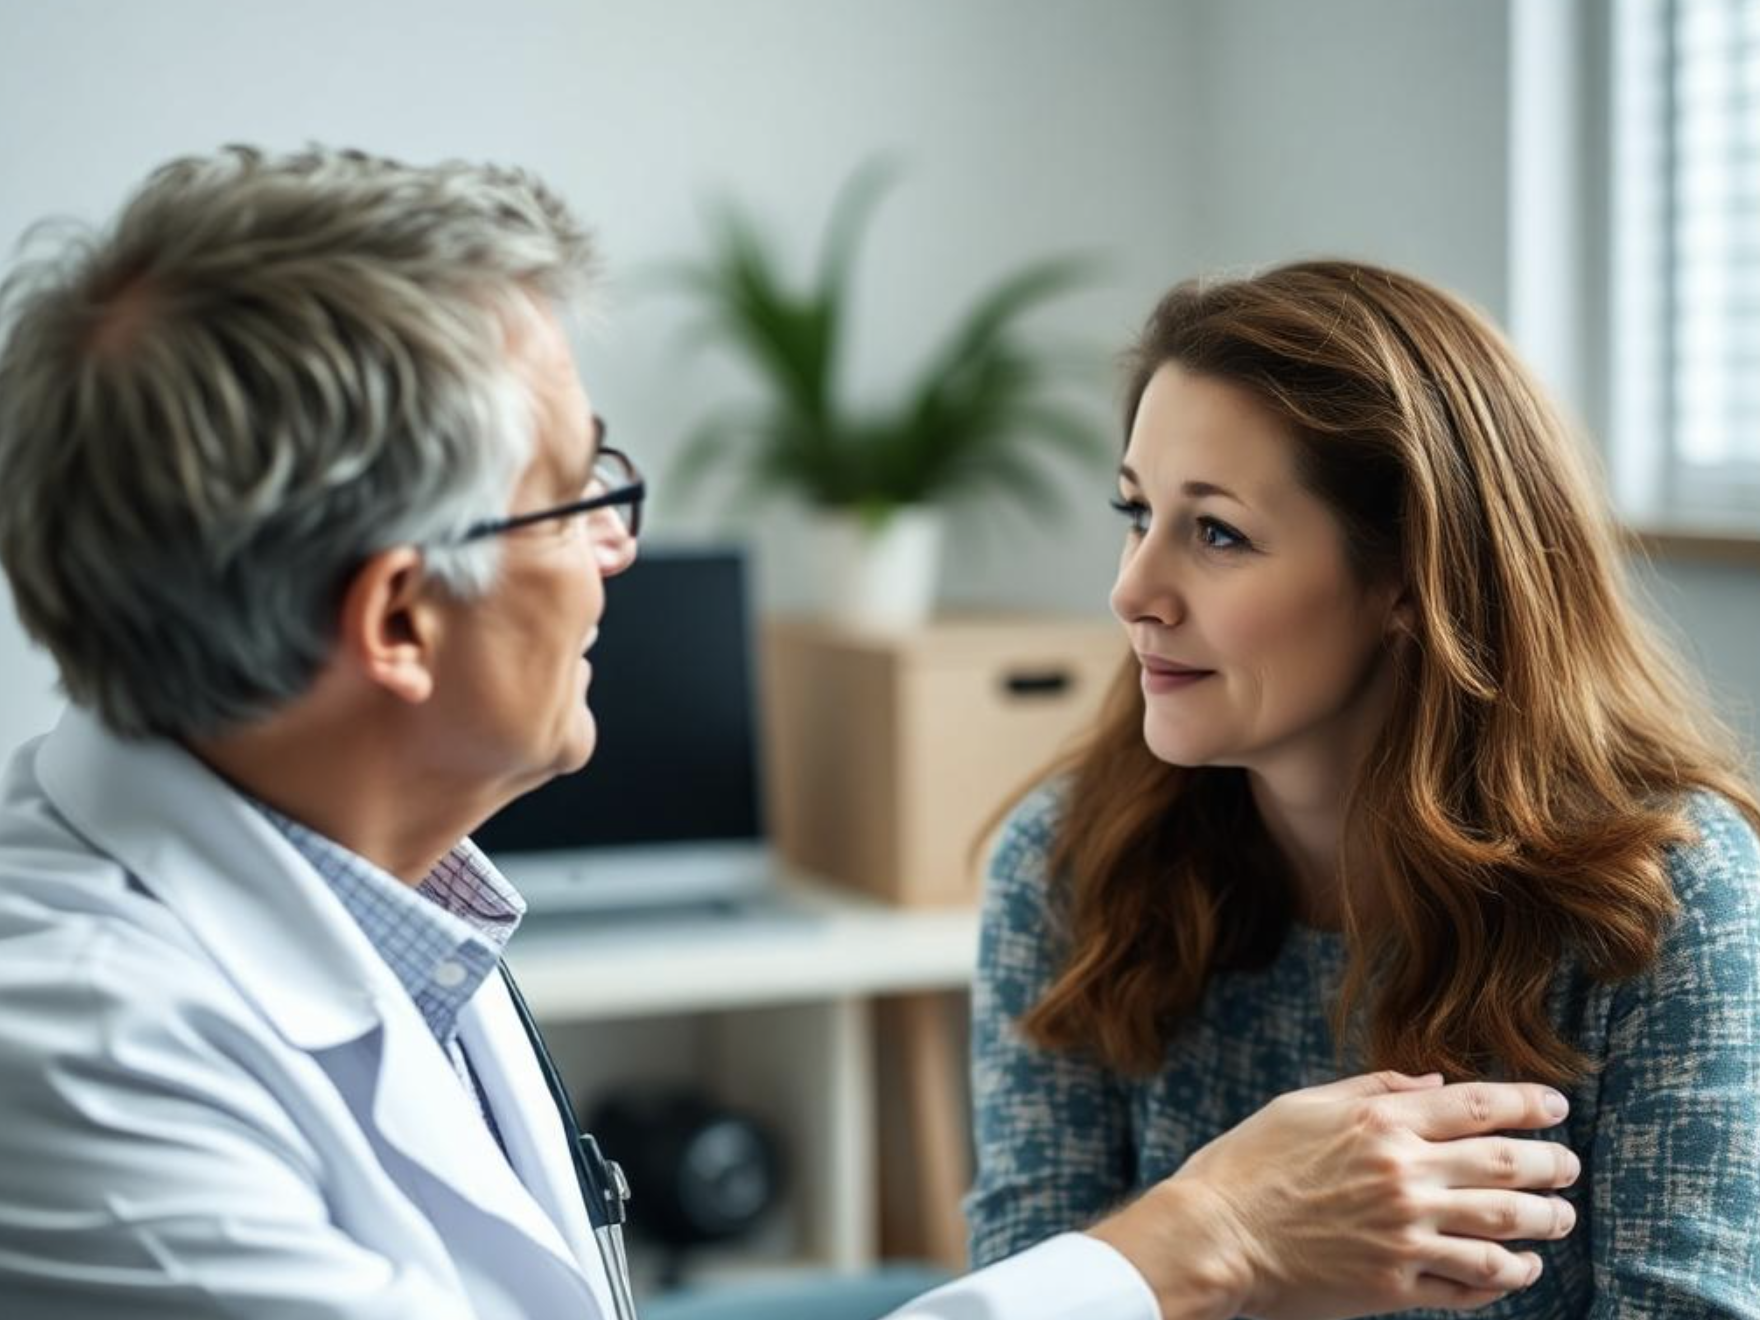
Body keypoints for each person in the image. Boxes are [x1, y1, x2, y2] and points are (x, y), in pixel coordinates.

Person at [0, 149, 1578, 1320]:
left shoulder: (386, 886)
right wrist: (1200, 1243)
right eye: (583, 492)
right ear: (402, 622)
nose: (621, 549)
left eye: (1217, 532)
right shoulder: (79, 1065)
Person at [965, 260, 1760, 1316]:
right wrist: (1235, 1240)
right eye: (1135, 512)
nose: (1131, 592)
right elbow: (1027, 1284)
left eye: (1215, 533)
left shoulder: (1664, 899)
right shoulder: (1068, 861)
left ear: (1405, 578)